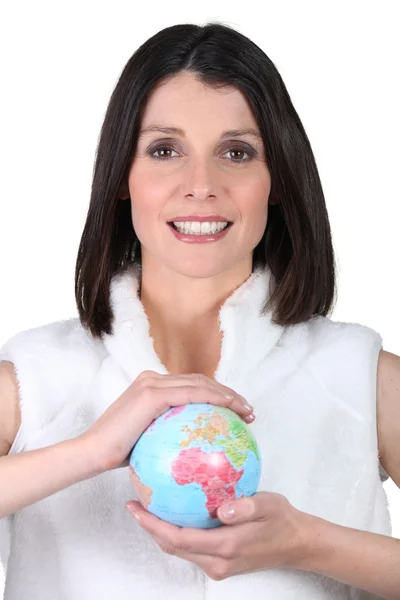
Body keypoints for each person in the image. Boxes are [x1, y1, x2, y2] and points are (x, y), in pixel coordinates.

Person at [0, 21, 399, 600]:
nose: (201, 184)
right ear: (121, 177)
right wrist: (88, 452)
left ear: (277, 179)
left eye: (236, 152)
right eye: (165, 150)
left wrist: (309, 542)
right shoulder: (30, 380)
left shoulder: (364, 378)